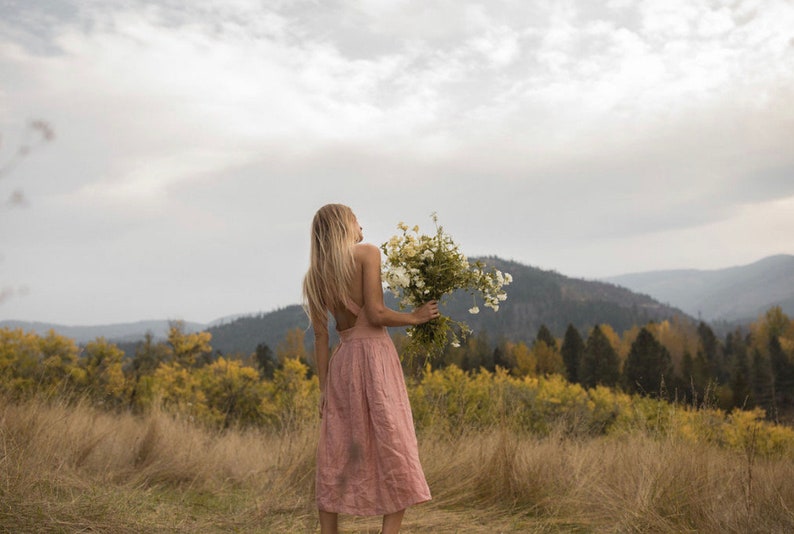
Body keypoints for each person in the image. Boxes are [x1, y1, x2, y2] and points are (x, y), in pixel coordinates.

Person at [303, 204, 439, 534]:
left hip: (342, 363)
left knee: (338, 447)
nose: (361, 223)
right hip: (375, 358)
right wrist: (414, 317)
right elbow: (377, 314)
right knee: (394, 443)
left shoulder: (314, 276)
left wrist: (323, 389)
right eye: (356, 217)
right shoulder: (366, 253)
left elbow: (321, 338)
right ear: (344, 225)